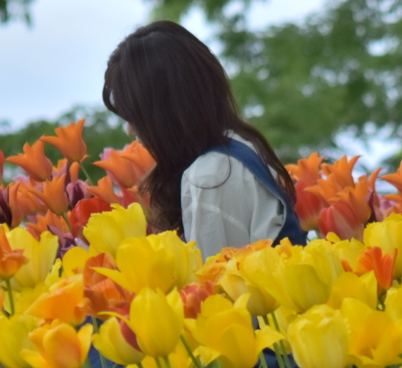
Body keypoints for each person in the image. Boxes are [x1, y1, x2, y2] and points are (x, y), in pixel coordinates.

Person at [102, 21, 306, 260]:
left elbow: (214, 291)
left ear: (168, 111)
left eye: (137, 115)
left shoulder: (212, 176)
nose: (129, 129)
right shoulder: (239, 147)